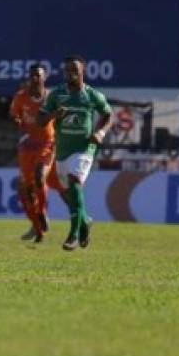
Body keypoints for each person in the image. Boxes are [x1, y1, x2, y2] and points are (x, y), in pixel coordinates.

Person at [37, 56, 112, 251]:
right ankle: (85, 221)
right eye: (68, 70)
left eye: (75, 71)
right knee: (69, 192)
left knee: (74, 182)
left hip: (85, 148)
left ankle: (73, 234)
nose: (71, 74)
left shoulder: (92, 95)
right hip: (63, 151)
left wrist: (100, 132)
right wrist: (55, 115)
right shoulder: (56, 95)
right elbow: (40, 120)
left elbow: (108, 114)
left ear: (82, 72)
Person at [9, 65, 60, 243]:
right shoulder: (21, 96)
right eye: (32, 75)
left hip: (47, 144)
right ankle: (37, 228)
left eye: (38, 75)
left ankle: (43, 214)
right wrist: (17, 120)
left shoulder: (51, 97)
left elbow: (61, 116)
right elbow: (14, 114)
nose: (34, 79)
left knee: (40, 178)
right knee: (25, 189)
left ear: (44, 77)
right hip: (27, 145)